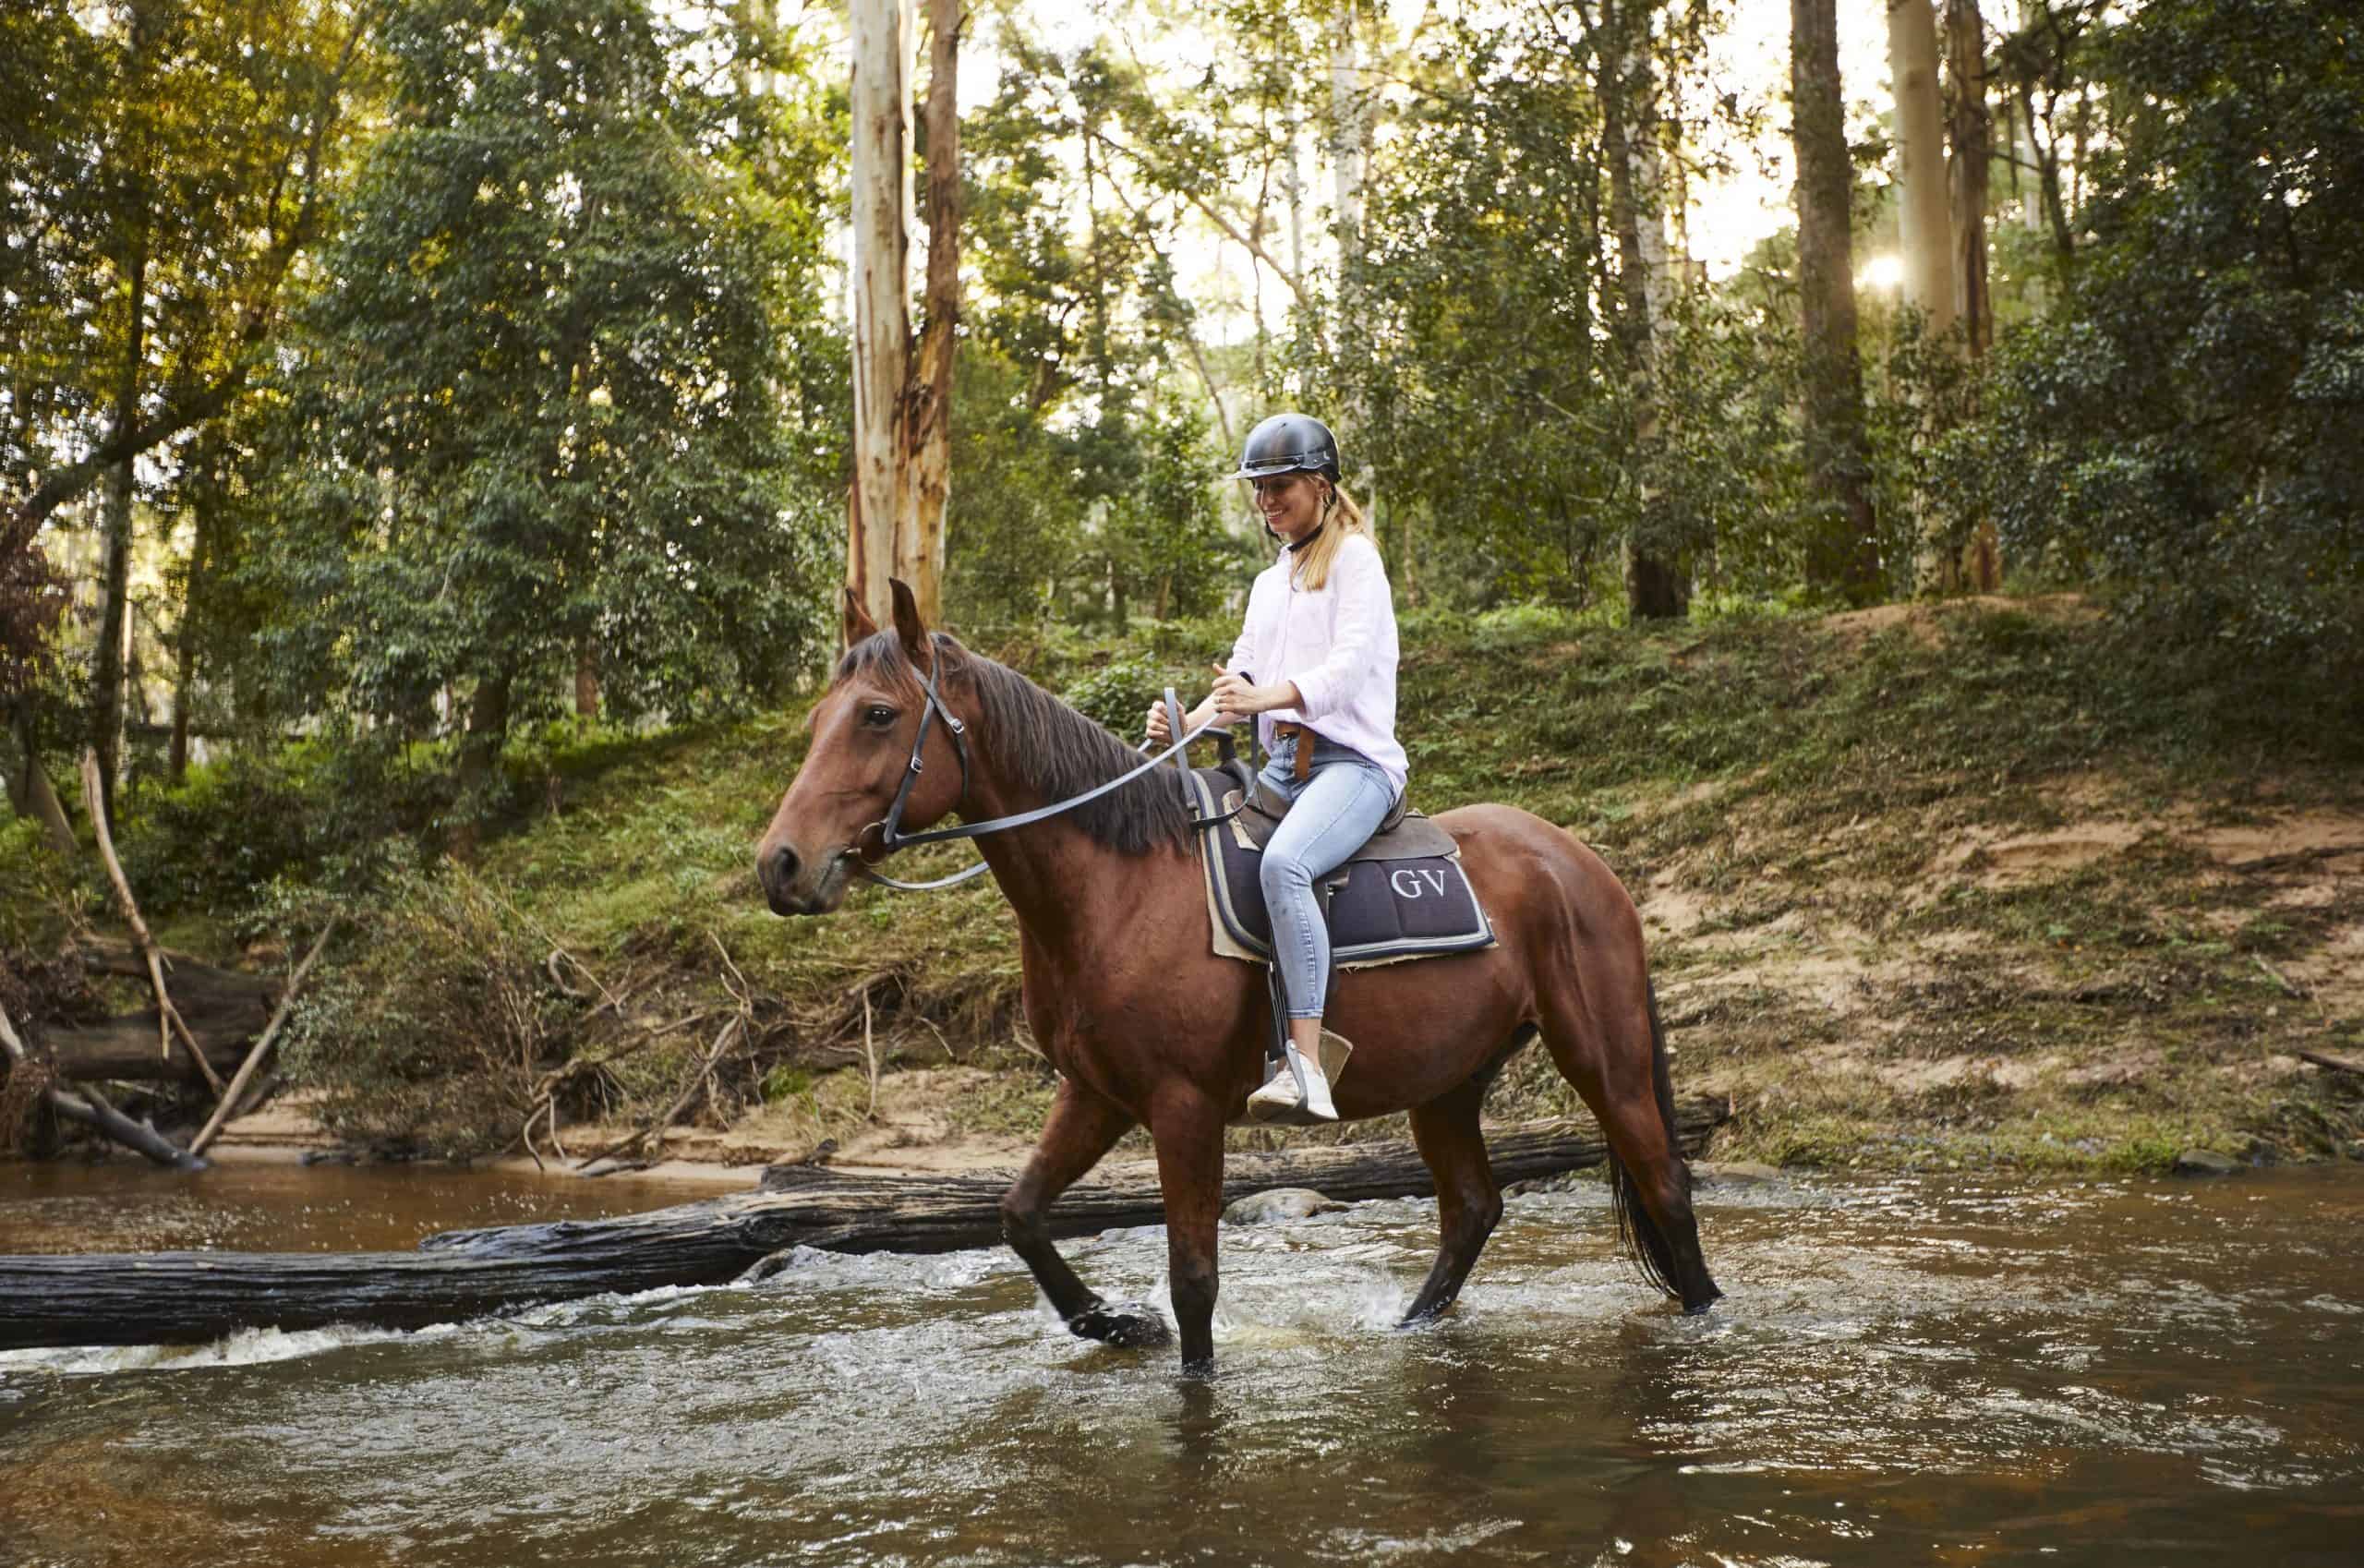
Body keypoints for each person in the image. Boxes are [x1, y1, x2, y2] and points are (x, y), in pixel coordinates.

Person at [1145, 412, 1406, 1122]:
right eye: (1258, 489)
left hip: (1355, 767)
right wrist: (1189, 722)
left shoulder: (1356, 560)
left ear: (1321, 486)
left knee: (1284, 866)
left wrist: (1270, 696)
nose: (1267, 501)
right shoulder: (1271, 581)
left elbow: (1349, 670)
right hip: (1284, 769)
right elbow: (1243, 675)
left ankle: (1308, 1067)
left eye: (1280, 487)